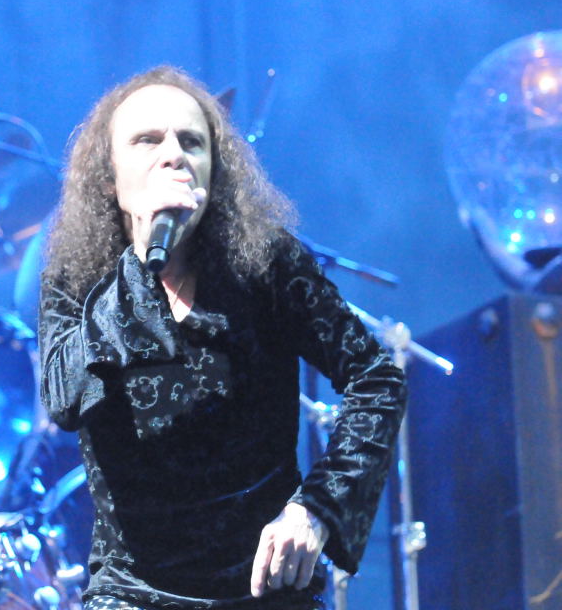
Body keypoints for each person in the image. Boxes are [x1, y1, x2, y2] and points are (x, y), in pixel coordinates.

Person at [38, 65, 407, 610]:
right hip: (133, 594)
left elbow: (377, 378)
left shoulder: (266, 264)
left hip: (266, 590)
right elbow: (64, 399)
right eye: (147, 140)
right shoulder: (76, 280)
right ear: (109, 179)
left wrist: (318, 509)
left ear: (215, 172)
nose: (174, 155)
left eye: (192, 142)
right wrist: (141, 263)